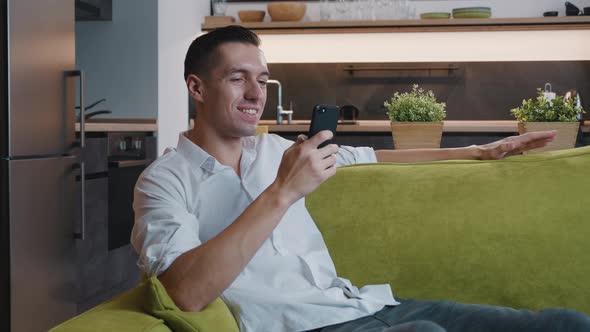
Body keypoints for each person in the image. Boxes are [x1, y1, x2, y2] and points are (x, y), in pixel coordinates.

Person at [131, 25, 588, 332]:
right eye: (238, 79)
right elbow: (184, 293)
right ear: (196, 88)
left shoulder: (277, 151)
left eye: (263, 80)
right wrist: (283, 191)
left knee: (564, 323)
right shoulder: (164, 182)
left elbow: (374, 156)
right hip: (299, 326)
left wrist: (476, 151)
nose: (256, 94)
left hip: (360, 304)